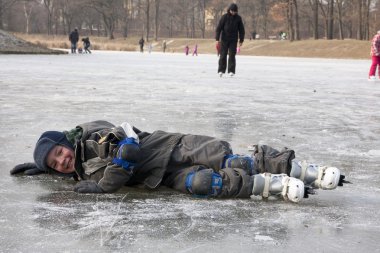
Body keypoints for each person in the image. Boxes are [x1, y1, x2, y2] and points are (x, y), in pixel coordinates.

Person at [11, 120, 349, 203]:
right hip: (160, 179)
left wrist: (103, 186)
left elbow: (127, 156)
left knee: (232, 160)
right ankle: (273, 187)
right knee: (204, 183)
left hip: (171, 148)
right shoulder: (78, 171)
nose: (61, 161)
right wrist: (38, 167)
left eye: (58, 153)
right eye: (54, 163)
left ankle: (301, 170)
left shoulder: (92, 138)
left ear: (64, 143)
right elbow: (114, 174)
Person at [215, 3, 245, 77]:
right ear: (229, 10)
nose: (233, 12)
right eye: (232, 11)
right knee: (223, 55)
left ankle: (231, 71)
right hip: (224, 39)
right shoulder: (224, 17)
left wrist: (241, 40)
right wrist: (217, 39)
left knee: (232, 55)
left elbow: (241, 30)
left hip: (233, 40)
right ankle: (221, 70)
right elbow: (219, 28)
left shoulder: (238, 18)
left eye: (235, 11)